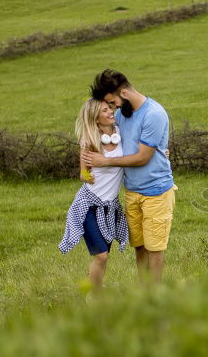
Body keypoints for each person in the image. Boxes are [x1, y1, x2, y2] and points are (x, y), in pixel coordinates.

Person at [84, 69, 176, 284]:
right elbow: (97, 126)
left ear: (123, 94)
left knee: (154, 249)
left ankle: (154, 298)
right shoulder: (121, 115)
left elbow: (143, 157)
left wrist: (105, 162)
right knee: (140, 248)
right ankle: (144, 294)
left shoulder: (154, 113)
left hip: (156, 192)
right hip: (132, 191)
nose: (112, 108)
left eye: (112, 102)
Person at [59, 99, 129, 293]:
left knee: (104, 255)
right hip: (89, 205)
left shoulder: (121, 135)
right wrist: (90, 175)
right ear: (96, 119)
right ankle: (93, 296)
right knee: (101, 255)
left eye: (109, 108)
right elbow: (83, 173)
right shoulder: (90, 142)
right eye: (104, 111)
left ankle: (96, 289)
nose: (110, 112)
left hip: (110, 207)